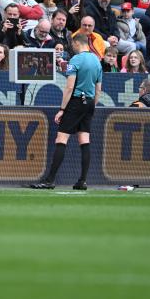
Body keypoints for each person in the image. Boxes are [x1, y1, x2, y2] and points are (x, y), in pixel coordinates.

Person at [31, 33, 102, 190]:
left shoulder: (75, 60)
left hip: (76, 101)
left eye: (72, 44)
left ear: (77, 43)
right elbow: (98, 90)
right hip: (89, 102)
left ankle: (50, 180)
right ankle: (82, 181)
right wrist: (91, 106)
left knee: (61, 138)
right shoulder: (97, 61)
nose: (72, 47)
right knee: (84, 140)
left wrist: (62, 109)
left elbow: (69, 87)